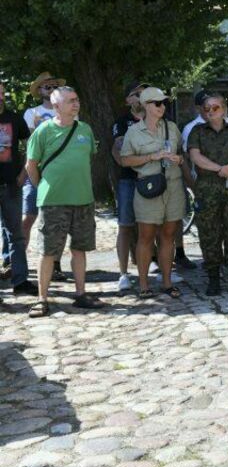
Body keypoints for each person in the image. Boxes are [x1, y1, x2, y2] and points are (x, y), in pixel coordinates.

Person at [24, 86, 103, 317]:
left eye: (77, 99)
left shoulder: (85, 129)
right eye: (70, 101)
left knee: (80, 249)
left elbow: (88, 158)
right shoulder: (43, 131)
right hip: (53, 202)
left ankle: (80, 294)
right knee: (48, 251)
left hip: (83, 200)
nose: (75, 104)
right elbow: (31, 165)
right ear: (56, 106)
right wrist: (44, 188)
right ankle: (42, 299)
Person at [120, 87, 188, 299]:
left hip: (173, 185)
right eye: (157, 103)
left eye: (163, 103)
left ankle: (167, 282)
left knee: (168, 236)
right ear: (146, 106)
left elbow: (181, 153)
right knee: (146, 236)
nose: (162, 107)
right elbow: (125, 160)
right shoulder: (133, 131)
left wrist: (180, 159)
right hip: (148, 188)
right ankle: (143, 284)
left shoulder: (172, 127)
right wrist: (151, 157)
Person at [188, 92, 228, 295]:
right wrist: (220, 169)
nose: (211, 111)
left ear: (224, 109)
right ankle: (213, 278)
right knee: (209, 234)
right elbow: (195, 156)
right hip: (207, 190)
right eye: (207, 108)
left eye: (215, 107)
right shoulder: (197, 131)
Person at [23, 72, 63, 279]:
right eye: (46, 86)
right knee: (28, 215)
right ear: (39, 91)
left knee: (56, 220)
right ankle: (18, 261)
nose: (51, 88)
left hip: (58, 173)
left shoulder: (66, 112)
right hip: (36, 170)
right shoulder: (32, 113)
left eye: (54, 86)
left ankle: (55, 262)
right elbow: (31, 143)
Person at [111, 82, 147, 292]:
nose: (142, 97)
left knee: (155, 224)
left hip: (154, 177)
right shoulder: (122, 122)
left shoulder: (158, 119)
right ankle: (123, 273)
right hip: (128, 180)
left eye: (144, 92)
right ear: (128, 100)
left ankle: (160, 266)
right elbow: (119, 150)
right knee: (125, 225)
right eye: (136, 94)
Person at [0, 81, 34, 297]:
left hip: (11, 184)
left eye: (2, 92)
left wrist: (24, 173)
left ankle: (20, 281)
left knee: (16, 235)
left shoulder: (14, 118)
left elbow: (32, 143)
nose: (0, 96)